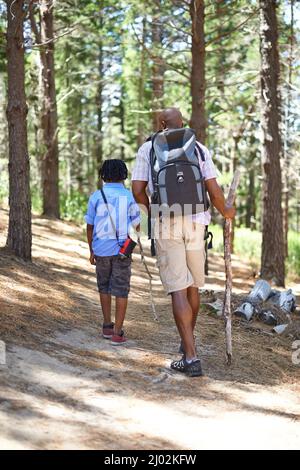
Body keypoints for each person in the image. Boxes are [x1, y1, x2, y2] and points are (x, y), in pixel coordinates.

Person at [132, 107, 235, 376]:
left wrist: (152, 215)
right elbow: (213, 189)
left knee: (178, 287)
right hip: (197, 222)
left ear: (162, 123)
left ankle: (190, 357)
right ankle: (188, 340)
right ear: (184, 124)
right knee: (193, 286)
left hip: (167, 219)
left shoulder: (149, 149)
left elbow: (137, 190)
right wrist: (227, 211)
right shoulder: (198, 148)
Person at [85, 159, 140, 345]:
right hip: (122, 250)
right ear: (123, 174)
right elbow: (138, 223)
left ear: (103, 175)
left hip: (101, 249)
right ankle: (118, 332)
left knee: (104, 287)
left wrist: (91, 250)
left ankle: (107, 326)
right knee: (121, 291)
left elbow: (90, 226)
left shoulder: (96, 196)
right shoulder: (128, 196)